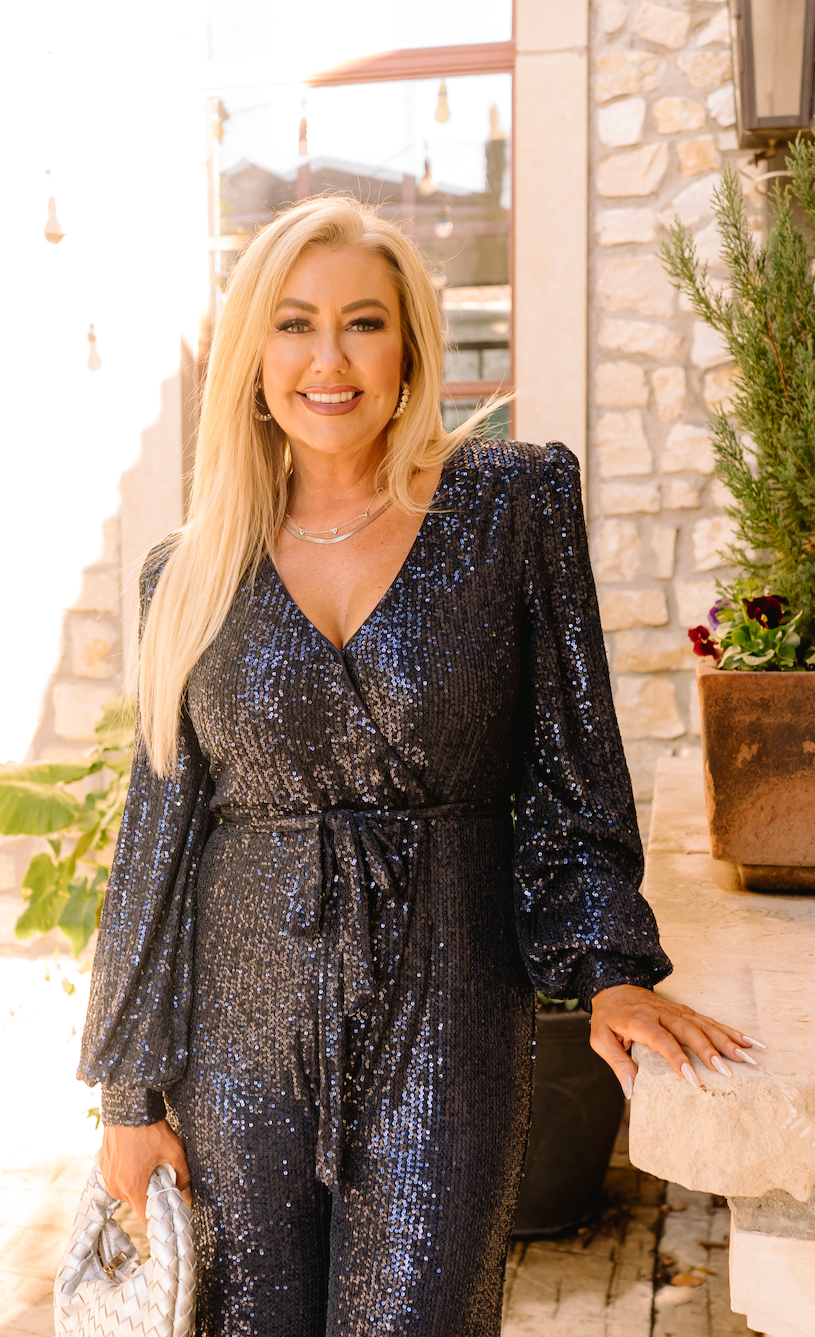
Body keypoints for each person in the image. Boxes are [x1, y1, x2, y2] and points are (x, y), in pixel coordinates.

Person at [78, 196, 757, 1336]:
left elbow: (570, 763)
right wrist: (129, 1093)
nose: (328, 359)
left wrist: (609, 968)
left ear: (408, 351)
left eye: (363, 323)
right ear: (252, 357)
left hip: (448, 1014)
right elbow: (159, 837)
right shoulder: (184, 573)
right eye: (293, 324)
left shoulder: (509, 508)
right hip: (236, 1041)